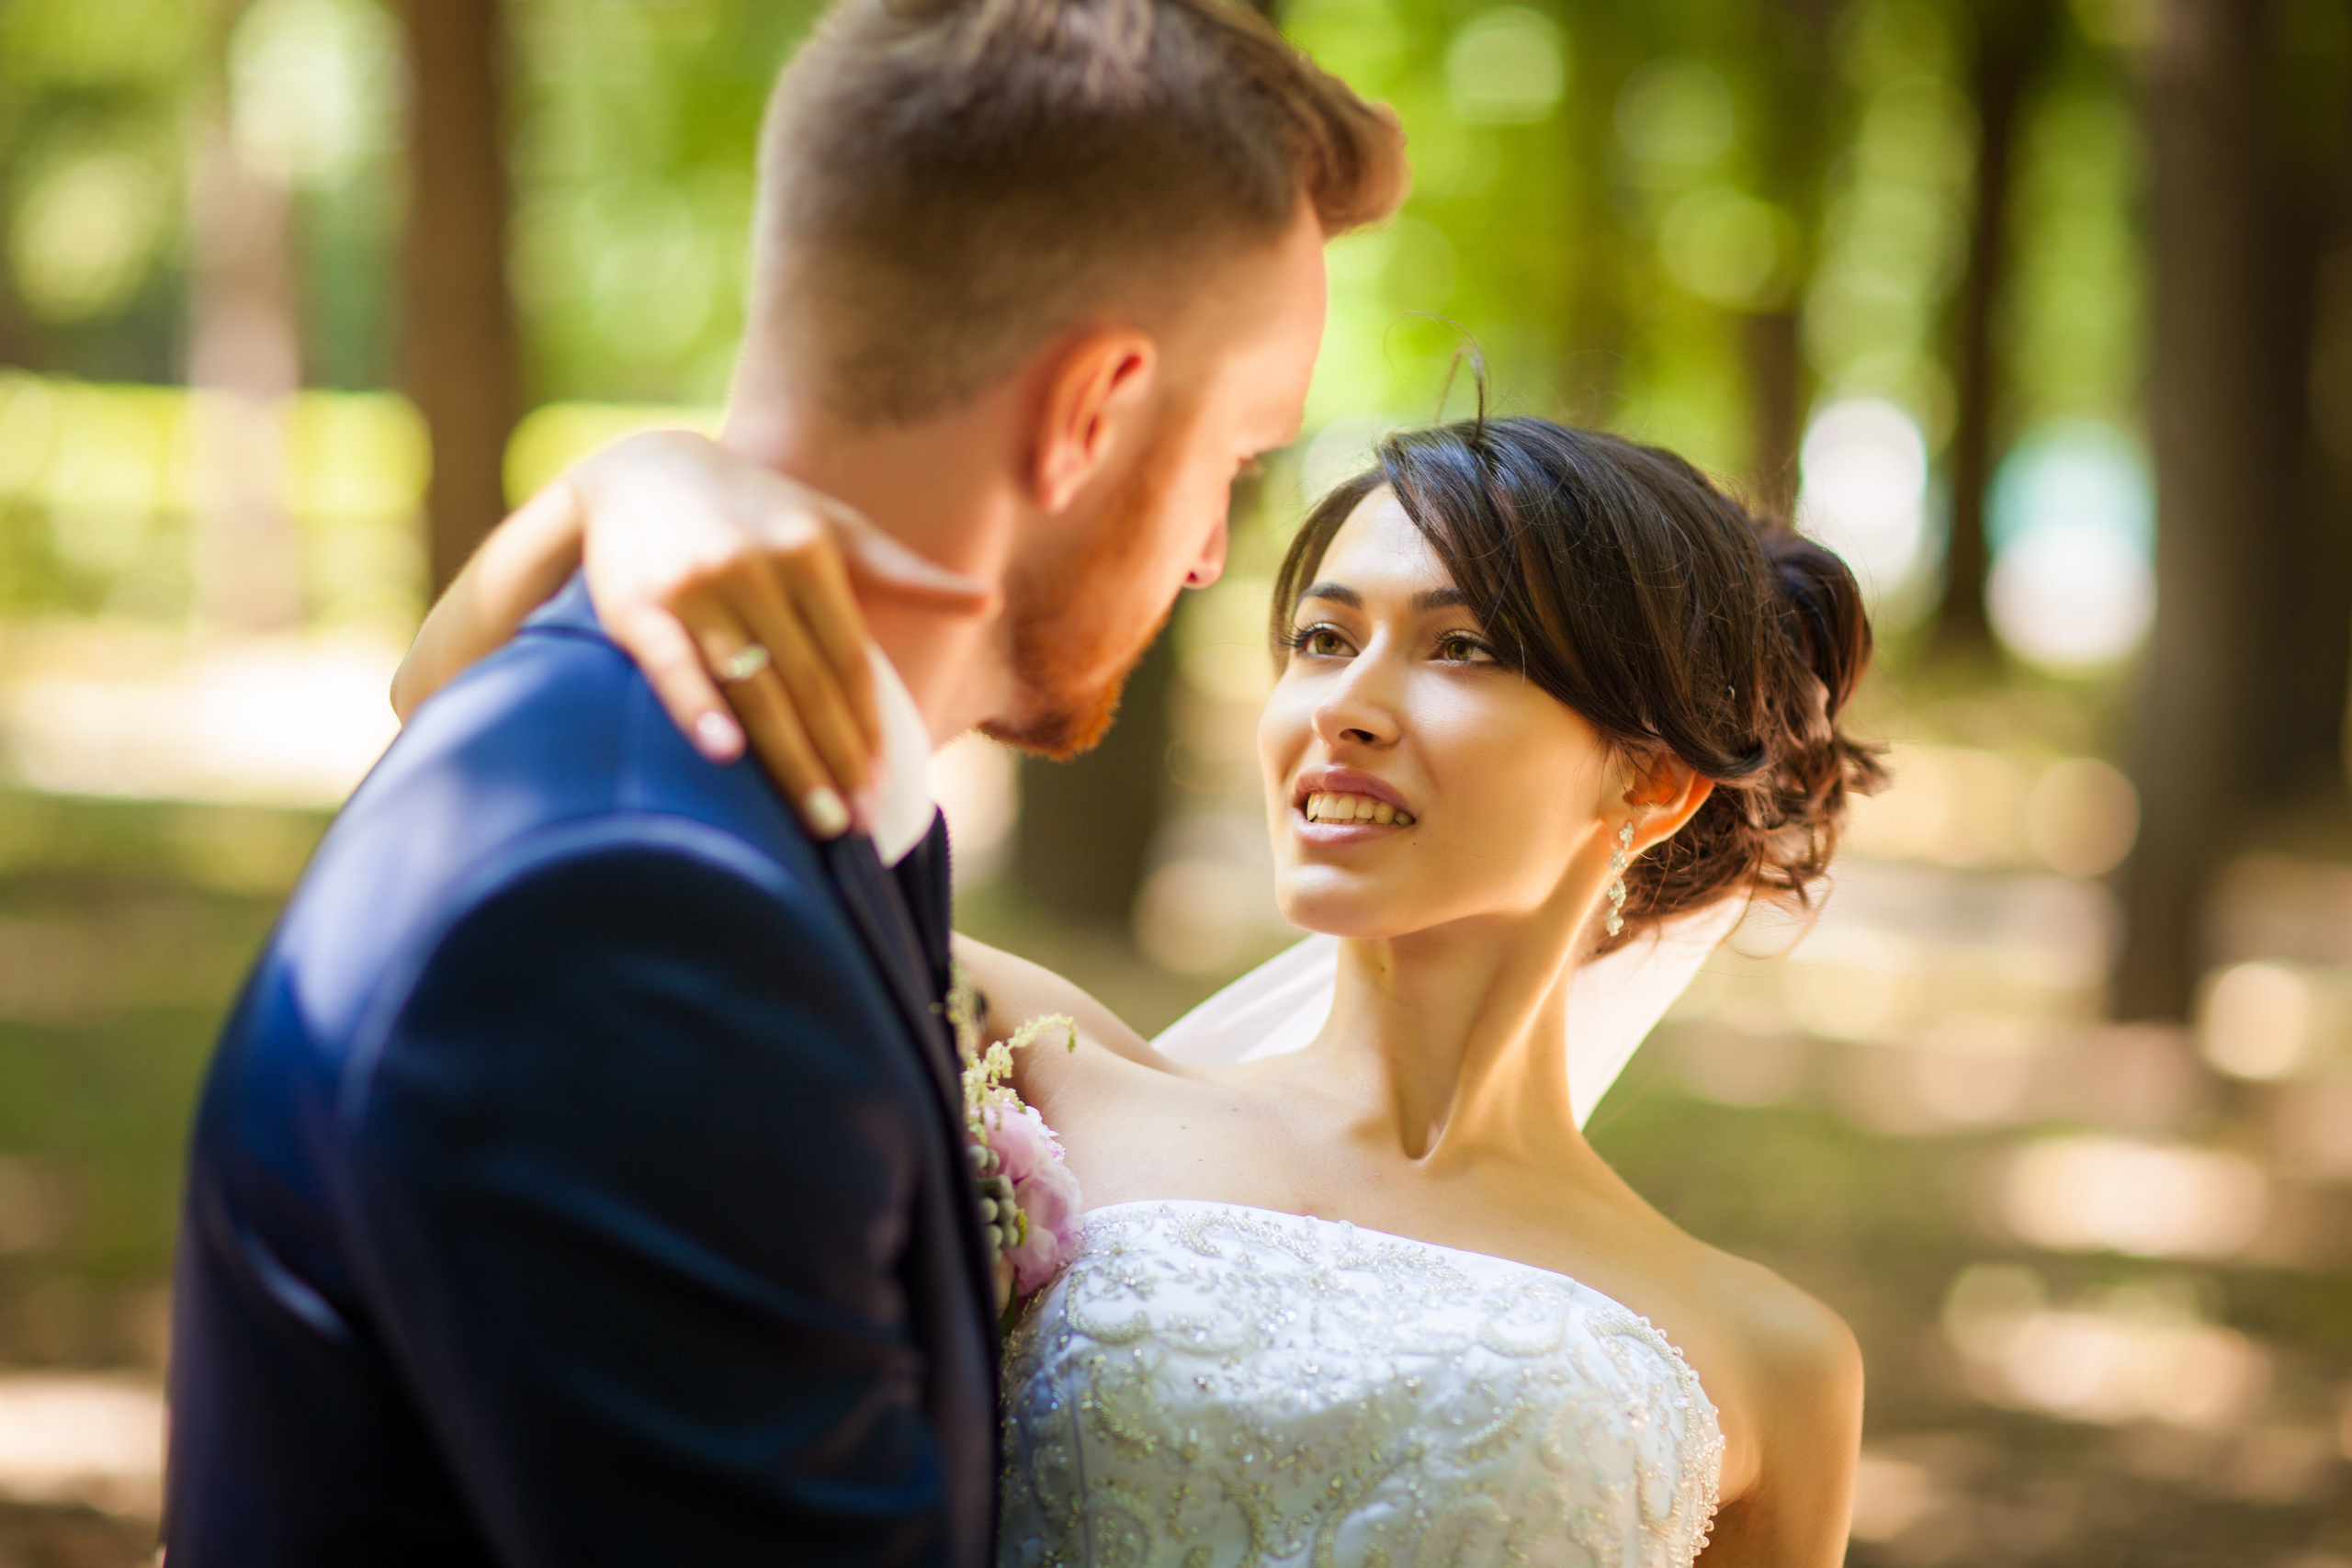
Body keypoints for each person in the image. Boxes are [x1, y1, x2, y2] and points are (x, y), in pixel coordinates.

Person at [162, 0, 1404, 1562]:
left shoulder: (734, 802)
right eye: (1233, 459)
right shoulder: (635, 918)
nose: (1214, 552)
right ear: (1090, 415)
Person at [399, 411, 1884, 1565]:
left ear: (1653, 784)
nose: (1345, 707)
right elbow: (489, 795)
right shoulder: (1031, 1060)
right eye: (1322, 638)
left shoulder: (1775, 1364)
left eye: (1463, 649)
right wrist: (626, 486)